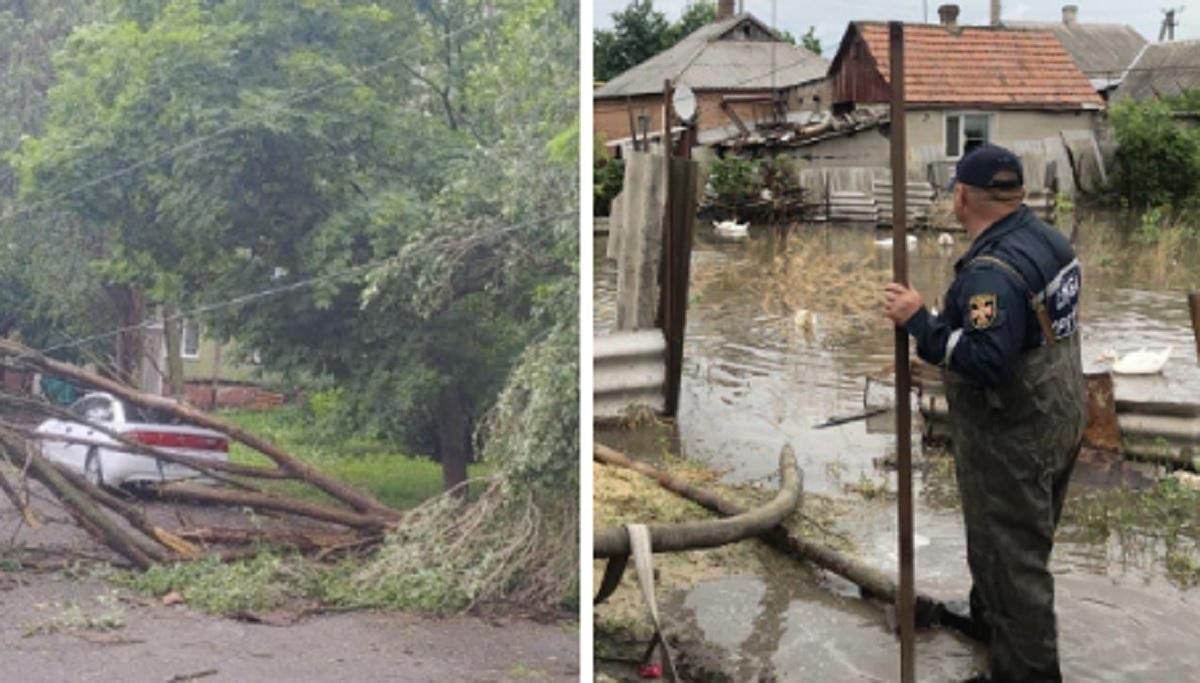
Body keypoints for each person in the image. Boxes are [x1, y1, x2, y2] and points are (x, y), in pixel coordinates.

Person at [882, 144, 1087, 682]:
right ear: (1015, 192)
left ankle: (1030, 674)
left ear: (963, 195)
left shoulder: (990, 272)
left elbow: (987, 360)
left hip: (1014, 432)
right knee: (1005, 543)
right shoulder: (1049, 240)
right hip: (1061, 414)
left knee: (1015, 559)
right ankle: (991, 625)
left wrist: (919, 324)